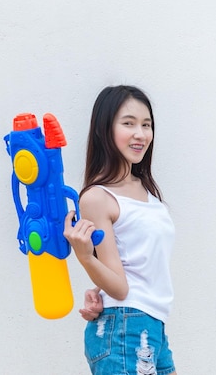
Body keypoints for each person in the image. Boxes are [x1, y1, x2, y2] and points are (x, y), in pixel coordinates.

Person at [63, 85, 177, 375]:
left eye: (146, 125)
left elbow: (134, 262)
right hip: (126, 328)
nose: (141, 134)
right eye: (128, 123)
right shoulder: (97, 197)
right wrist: (86, 258)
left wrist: (98, 291)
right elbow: (121, 287)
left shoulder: (145, 191)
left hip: (151, 327)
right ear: (104, 130)